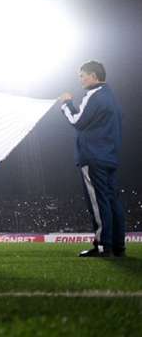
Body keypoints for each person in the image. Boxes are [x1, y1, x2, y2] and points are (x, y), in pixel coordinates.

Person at [58, 60, 125, 257]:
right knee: (113, 202)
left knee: (98, 202)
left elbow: (76, 121)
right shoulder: (112, 98)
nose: (80, 80)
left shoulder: (93, 95)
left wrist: (66, 103)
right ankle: (118, 246)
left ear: (93, 76)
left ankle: (103, 246)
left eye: (82, 75)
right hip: (109, 156)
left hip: (93, 157)